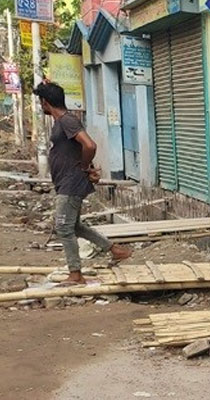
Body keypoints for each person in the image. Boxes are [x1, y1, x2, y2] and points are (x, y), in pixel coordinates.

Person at [34, 81, 131, 285]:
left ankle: (76, 274)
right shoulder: (62, 121)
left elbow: (89, 145)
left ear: (45, 102)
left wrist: (85, 167)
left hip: (71, 183)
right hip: (67, 181)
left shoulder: (67, 121)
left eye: (40, 102)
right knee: (74, 226)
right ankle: (114, 250)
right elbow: (79, 148)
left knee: (63, 227)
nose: (40, 106)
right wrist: (87, 167)